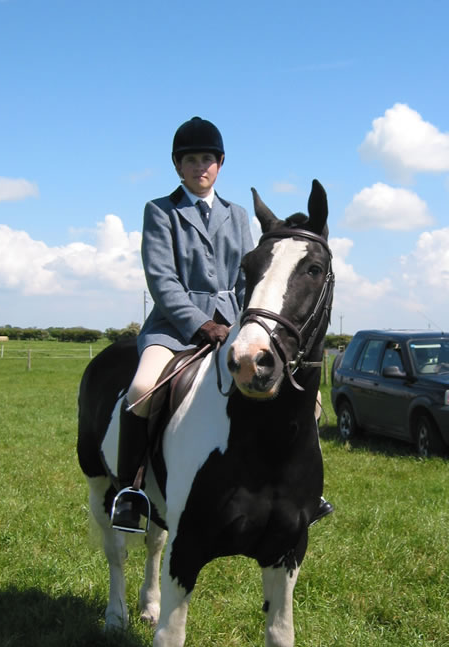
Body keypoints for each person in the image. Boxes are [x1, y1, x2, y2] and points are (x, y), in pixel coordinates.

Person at [113, 116, 333, 529]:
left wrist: (246, 324)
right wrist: (200, 325)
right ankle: (131, 489)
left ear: (220, 164)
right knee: (142, 390)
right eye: (191, 160)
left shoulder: (236, 215)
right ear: (178, 167)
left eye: (207, 160)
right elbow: (162, 280)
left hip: (235, 324)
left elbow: (248, 275)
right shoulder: (160, 211)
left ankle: (304, 487)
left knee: (309, 398)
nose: (200, 167)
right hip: (173, 328)